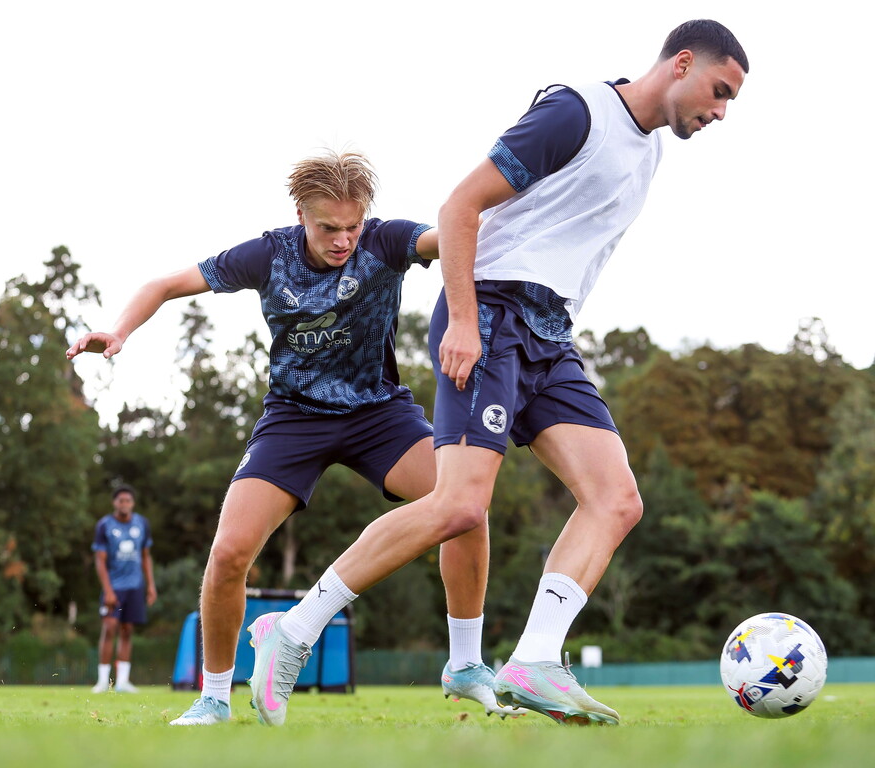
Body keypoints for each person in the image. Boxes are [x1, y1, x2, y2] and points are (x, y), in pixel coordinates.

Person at [247, 19, 749, 726]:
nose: (721, 111)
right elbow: (460, 206)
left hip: (550, 335)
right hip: (492, 314)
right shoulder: (578, 110)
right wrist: (461, 317)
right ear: (683, 63)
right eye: (719, 91)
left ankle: (535, 659)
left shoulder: (650, 154)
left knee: (617, 498)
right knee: (459, 506)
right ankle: (291, 629)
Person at [66, 150, 516, 725]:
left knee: (465, 504)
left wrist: (469, 303)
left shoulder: (385, 241)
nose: (344, 240)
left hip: (379, 413)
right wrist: (119, 329)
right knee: (229, 553)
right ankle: (214, 698)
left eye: (353, 226)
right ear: (301, 213)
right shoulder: (267, 255)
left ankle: (465, 661)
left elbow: (450, 237)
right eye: (329, 228)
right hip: (294, 418)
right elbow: (167, 283)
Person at [91, 484, 157, 693]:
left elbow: (146, 556)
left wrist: (151, 585)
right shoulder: (105, 525)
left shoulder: (142, 524)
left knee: (128, 631)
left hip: (135, 586)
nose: (124, 504)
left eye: (128, 500)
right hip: (115, 586)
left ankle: (122, 682)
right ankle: (102, 681)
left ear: (133, 503)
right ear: (115, 503)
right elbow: (100, 560)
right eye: (121, 500)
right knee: (110, 628)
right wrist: (108, 590)